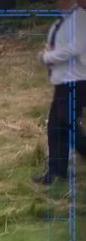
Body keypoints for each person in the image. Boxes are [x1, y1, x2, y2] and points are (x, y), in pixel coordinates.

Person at [34, 0, 86, 185]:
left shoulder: (80, 16)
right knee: (56, 127)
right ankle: (56, 172)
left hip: (76, 80)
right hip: (63, 80)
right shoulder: (64, 19)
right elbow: (61, 43)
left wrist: (48, 57)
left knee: (66, 123)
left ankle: (58, 170)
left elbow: (76, 47)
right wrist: (50, 51)